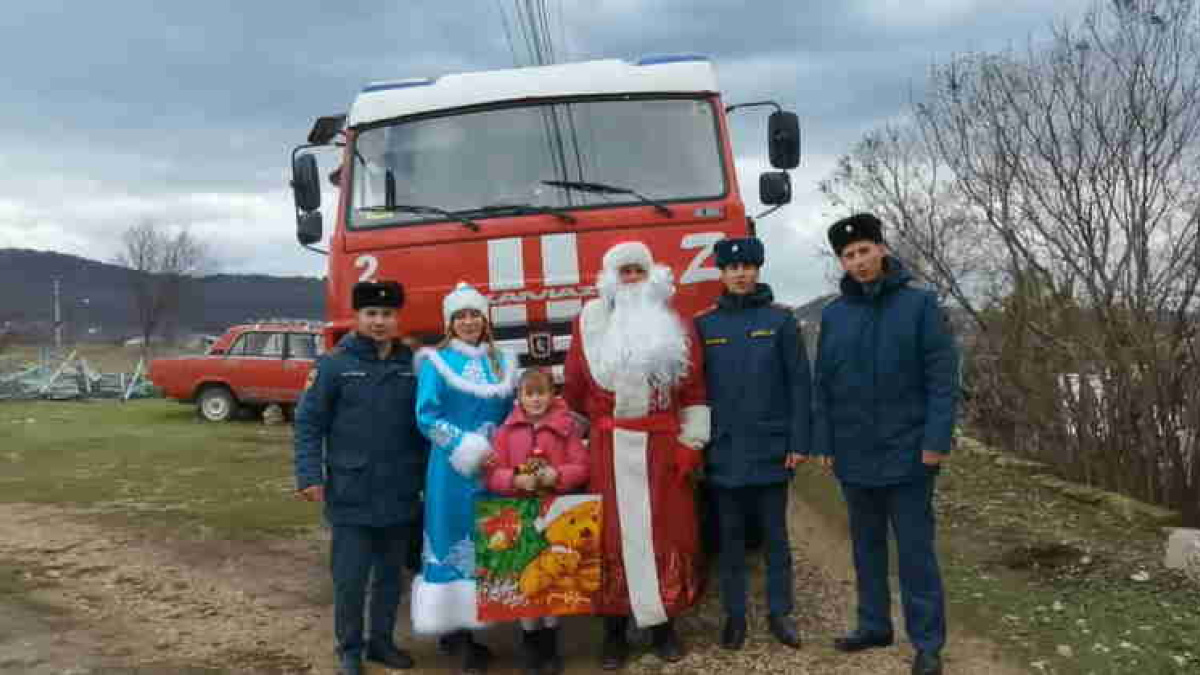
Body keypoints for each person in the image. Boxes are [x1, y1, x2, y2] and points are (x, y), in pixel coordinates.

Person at [811, 213, 959, 675]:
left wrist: (936, 441)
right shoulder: (833, 315)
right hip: (854, 454)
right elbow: (824, 385)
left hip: (910, 452)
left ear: (882, 250)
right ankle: (874, 624)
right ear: (842, 261)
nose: (858, 261)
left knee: (915, 551)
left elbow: (942, 379)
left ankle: (928, 643)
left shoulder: (920, 305)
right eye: (848, 255)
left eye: (864, 251)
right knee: (866, 546)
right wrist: (826, 442)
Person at [562, 241, 710, 670]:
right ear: (610, 278)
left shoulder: (676, 322)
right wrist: (569, 448)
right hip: (608, 450)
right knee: (608, 535)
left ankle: (663, 628)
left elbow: (694, 388)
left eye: (637, 271)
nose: (630, 279)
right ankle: (613, 633)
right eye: (623, 271)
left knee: (665, 533)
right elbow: (573, 388)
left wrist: (690, 443)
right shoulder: (588, 324)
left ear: (651, 276)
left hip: (662, 448)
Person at [293, 280, 425, 675]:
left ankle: (380, 643)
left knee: (389, 578)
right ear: (356, 317)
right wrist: (308, 475)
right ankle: (349, 649)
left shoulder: (412, 366)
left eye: (387, 314)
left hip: (400, 490)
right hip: (351, 490)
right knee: (350, 579)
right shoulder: (334, 365)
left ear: (398, 318)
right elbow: (308, 423)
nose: (379, 322)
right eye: (371, 314)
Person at [693, 236, 810, 652]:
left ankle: (781, 614)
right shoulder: (704, 325)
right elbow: (697, 391)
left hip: (770, 448)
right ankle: (735, 617)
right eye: (732, 269)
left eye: (748, 267)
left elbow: (799, 385)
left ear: (758, 269)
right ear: (721, 274)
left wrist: (799, 441)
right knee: (731, 540)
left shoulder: (780, 321)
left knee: (776, 537)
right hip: (724, 451)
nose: (741, 274)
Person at [413, 282, 518, 675]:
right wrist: (465, 446)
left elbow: (513, 412)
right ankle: (459, 635)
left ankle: (488, 620)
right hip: (451, 468)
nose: (469, 321)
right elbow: (426, 416)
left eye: (475, 314)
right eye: (461, 316)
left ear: (485, 317)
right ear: (450, 323)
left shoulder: (503, 361)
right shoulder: (436, 362)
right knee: (451, 537)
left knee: (493, 536)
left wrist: (506, 448)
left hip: (495, 466)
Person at [484, 368, 590, 675]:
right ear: (519, 397)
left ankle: (550, 645)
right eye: (528, 393)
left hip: (554, 513)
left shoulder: (566, 428)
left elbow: (581, 466)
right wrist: (515, 479)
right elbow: (492, 474)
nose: (535, 399)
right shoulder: (505, 431)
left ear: (553, 395)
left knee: (553, 580)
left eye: (541, 392)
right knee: (524, 581)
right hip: (519, 517)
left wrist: (558, 475)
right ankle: (530, 643)